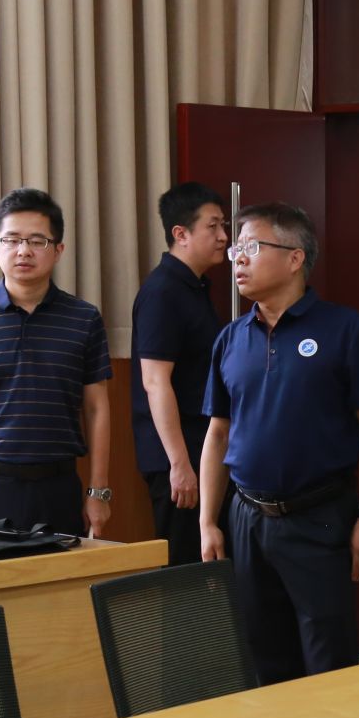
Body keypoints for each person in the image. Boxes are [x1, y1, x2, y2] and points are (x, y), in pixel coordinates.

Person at [198, 202, 359, 684]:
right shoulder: (231, 339)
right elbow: (218, 433)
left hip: (318, 516)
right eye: (236, 249)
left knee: (328, 662)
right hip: (247, 517)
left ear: (294, 258)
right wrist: (207, 521)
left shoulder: (345, 330)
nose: (238, 258)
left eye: (251, 246)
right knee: (261, 656)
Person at [0, 188, 113, 537]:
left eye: (37, 241)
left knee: (59, 573)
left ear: (58, 250)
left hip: (58, 485)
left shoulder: (84, 319)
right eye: (12, 240)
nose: (23, 250)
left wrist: (98, 492)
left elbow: (96, 408)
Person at [131, 182, 229, 564]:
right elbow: (155, 382)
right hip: (177, 457)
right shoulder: (163, 291)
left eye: (223, 226)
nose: (223, 237)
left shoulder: (196, 286)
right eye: (213, 226)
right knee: (186, 569)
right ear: (181, 234)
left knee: (212, 565)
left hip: (200, 449)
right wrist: (180, 464)